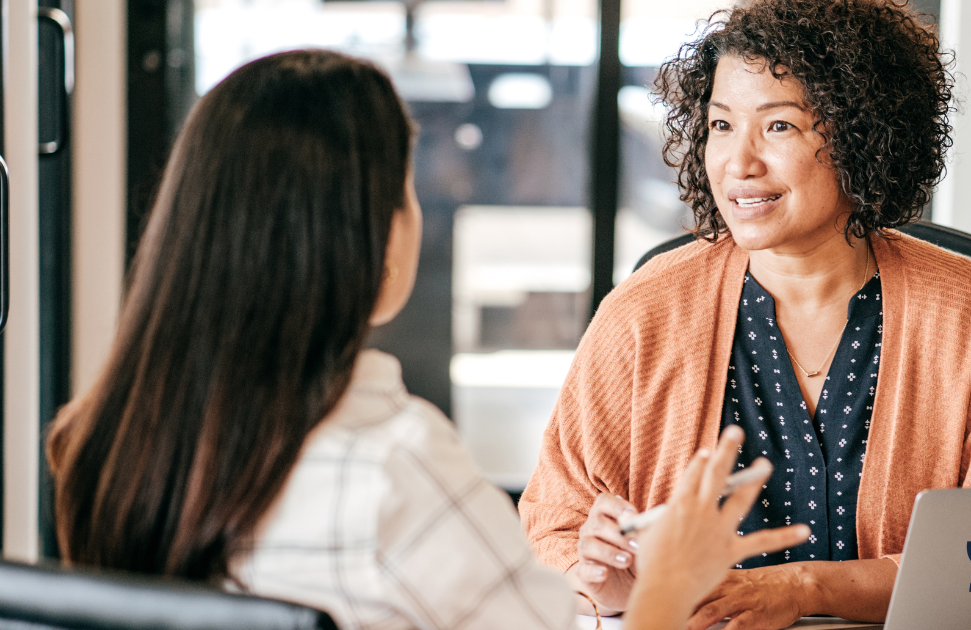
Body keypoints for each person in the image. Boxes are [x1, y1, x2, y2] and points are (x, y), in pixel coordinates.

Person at [45, 49, 805, 630]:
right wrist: (669, 583)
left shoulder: (103, 441)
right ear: (369, 239)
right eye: (408, 188)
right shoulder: (393, 464)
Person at [518, 1, 971, 628]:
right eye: (722, 125)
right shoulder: (645, 311)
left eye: (778, 126)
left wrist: (808, 587)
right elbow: (553, 529)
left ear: (861, 133)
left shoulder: (966, 314)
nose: (739, 163)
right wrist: (604, 582)